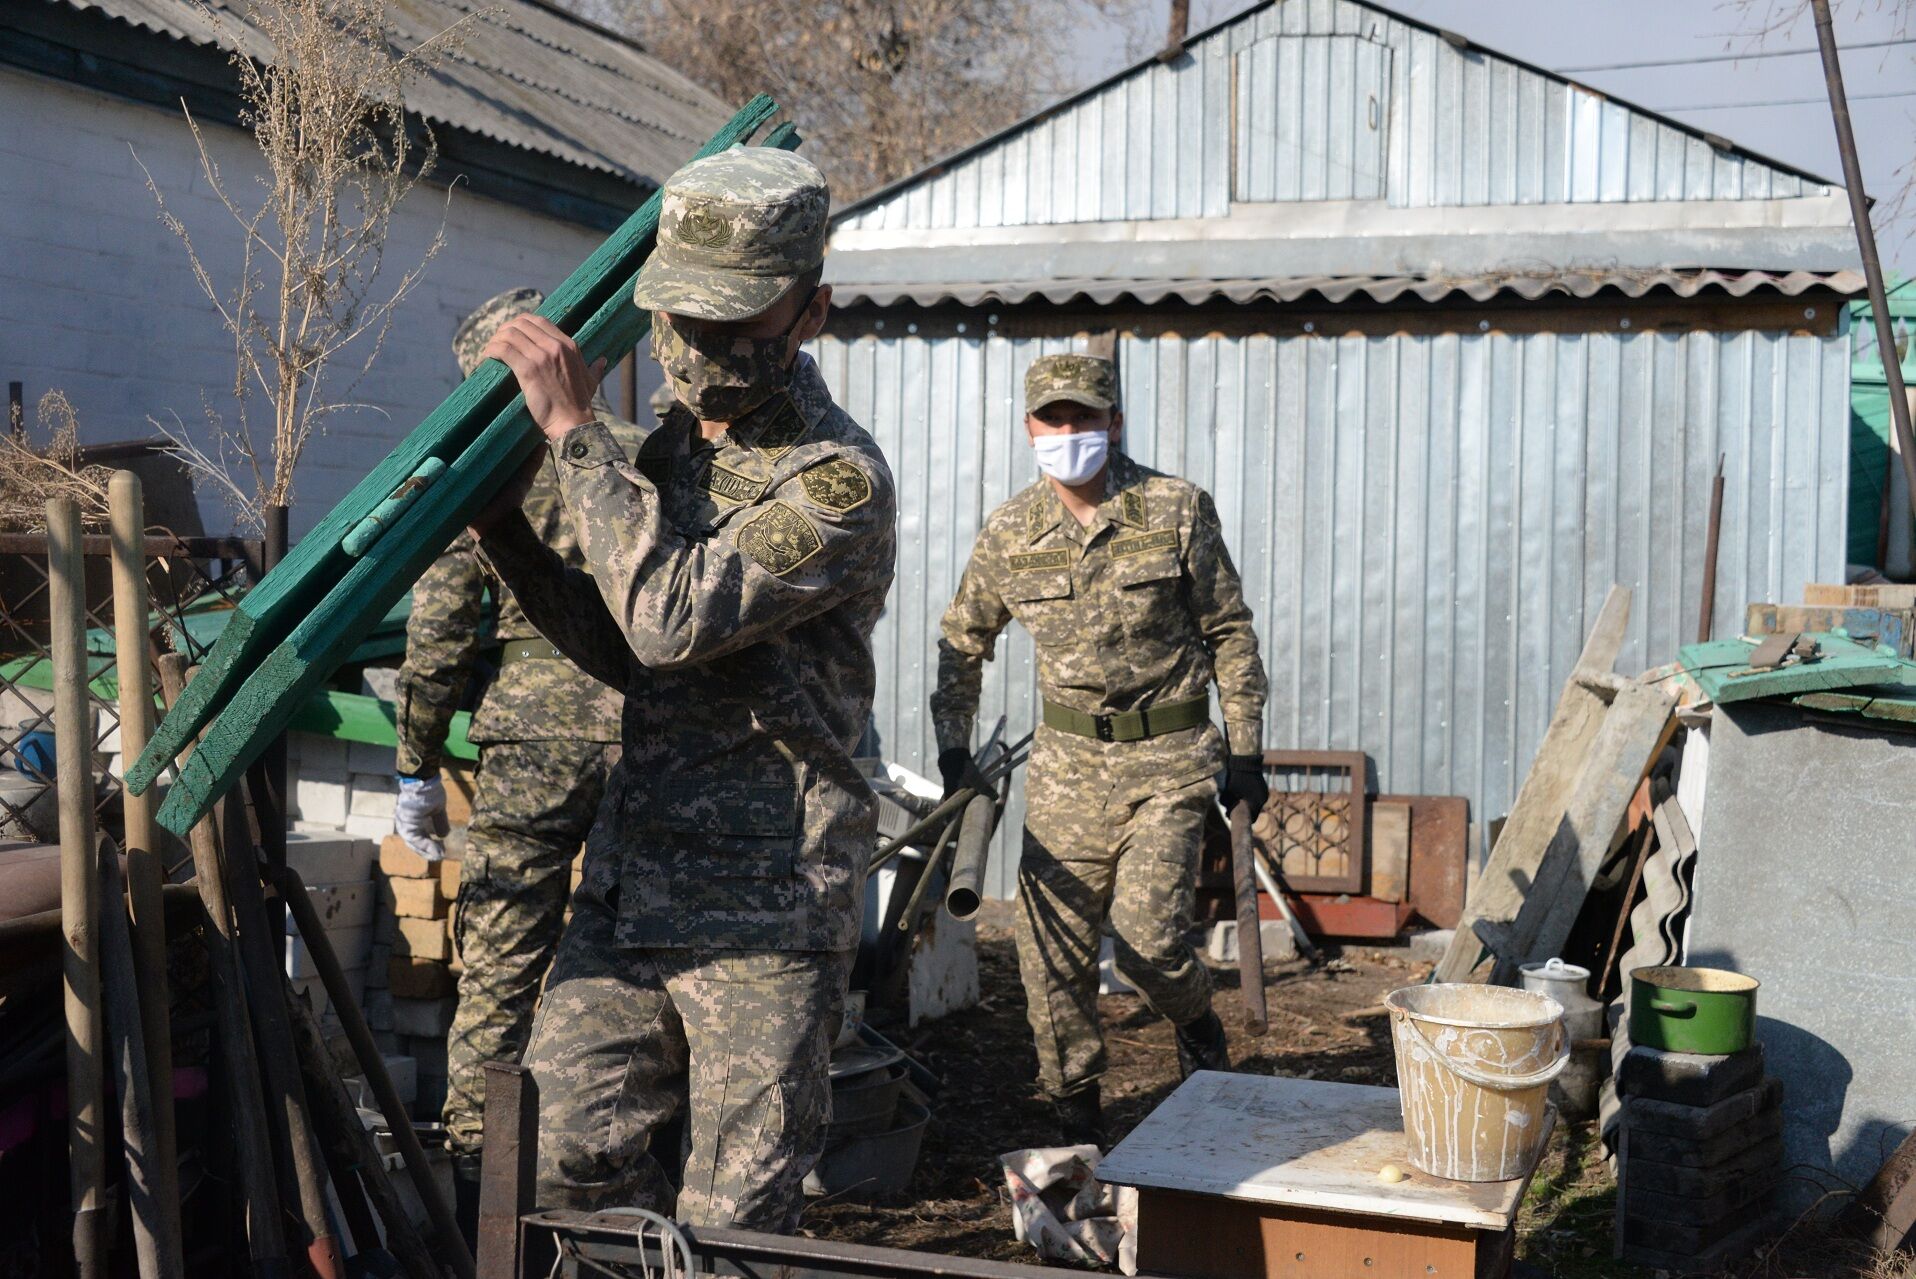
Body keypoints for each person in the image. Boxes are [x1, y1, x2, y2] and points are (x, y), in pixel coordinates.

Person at [465, 146, 896, 1230]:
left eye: (736, 327)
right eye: (683, 323)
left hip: (768, 907)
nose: (700, 355)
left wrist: (569, 434)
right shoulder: (670, 451)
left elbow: (665, 621)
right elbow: (621, 651)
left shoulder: (833, 481)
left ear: (813, 311)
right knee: (556, 1165)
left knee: (735, 1225)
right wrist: (502, 531)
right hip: (635, 885)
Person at [929, 353, 1270, 1147]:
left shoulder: (1174, 509)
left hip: (1171, 759)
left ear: (1114, 424)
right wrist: (955, 751)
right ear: (1029, 429)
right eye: (1053, 419)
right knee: (1050, 954)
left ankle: (1196, 1021)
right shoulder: (1012, 532)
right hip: (1066, 768)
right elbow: (961, 640)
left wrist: (1245, 749)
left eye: (1084, 417)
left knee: (1149, 939)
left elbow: (1229, 630)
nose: (1068, 432)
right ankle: (1074, 1108)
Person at [389, 287, 642, 1236]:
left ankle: (477, 1196)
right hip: (639, 735)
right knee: (634, 964)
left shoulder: (472, 480)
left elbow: (445, 630)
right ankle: (622, 1181)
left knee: (498, 971)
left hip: (530, 744)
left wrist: (416, 759)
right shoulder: (638, 455)